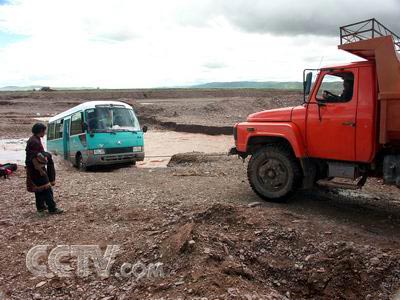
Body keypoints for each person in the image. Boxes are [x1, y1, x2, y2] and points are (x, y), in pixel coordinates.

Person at [26, 123, 63, 217]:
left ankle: (41, 207)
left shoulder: (34, 139)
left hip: (33, 169)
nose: (45, 132)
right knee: (47, 188)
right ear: (40, 131)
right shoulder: (35, 141)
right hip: (37, 169)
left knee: (39, 189)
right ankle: (52, 208)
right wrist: (43, 166)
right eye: (44, 130)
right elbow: (35, 157)